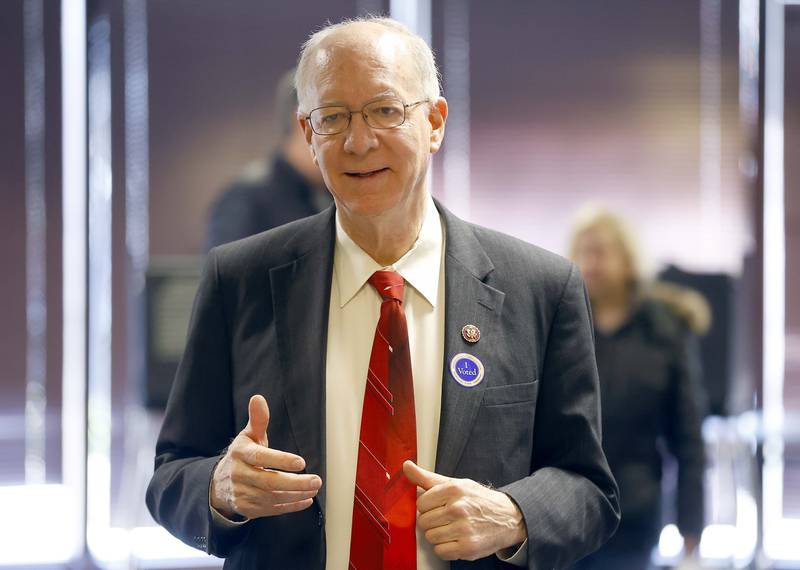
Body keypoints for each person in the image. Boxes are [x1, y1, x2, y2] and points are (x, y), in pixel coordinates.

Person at [147, 17, 619, 569]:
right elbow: (172, 474)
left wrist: (514, 514)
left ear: (435, 122)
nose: (358, 140)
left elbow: (589, 488)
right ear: (307, 134)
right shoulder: (241, 279)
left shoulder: (540, 288)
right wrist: (221, 490)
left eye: (385, 110)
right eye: (333, 118)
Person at [568, 208, 707, 570]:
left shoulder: (665, 332)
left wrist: (691, 537)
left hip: (635, 512)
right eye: (583, 252)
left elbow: (688, 439)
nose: (590, 264)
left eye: (600, 252)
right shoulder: (566, 324)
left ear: (628, 260)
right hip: (565, 510)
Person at [205, 68, 330, 250]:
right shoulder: (248, 198)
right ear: (303, 122)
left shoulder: (330, 194)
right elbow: (224, 275)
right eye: (332, 118)